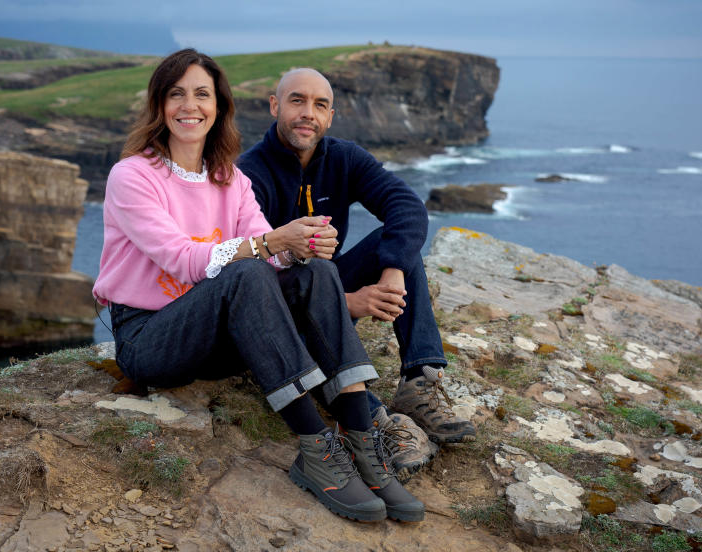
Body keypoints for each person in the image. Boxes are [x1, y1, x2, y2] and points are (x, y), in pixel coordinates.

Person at [92, 49, 422, 523]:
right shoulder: (133, 176)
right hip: (151, 339)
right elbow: (184, 261)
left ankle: (362, 440)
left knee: (316, 269)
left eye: (202, 94)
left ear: (219, 107)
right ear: (159, 105)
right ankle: (315, 449)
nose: (190, 106)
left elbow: (275, 253)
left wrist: (305, 241)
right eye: (176, 94)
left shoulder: (232, 179)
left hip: (218, 335)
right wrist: (271, 241)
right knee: (246, 269)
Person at [238, 68, 478, 468]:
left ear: (330, 116)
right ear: (275, 106)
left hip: (328, 288)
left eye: (320, 105)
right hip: (278, 315)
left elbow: (407, 205)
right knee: (319, 285)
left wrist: (394, 270)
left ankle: (419, 381)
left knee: (398, 243)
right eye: (297, 101)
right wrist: (349, 303)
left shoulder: (344, 158)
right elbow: (253, 281)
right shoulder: (249, 174)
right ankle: (374, 421)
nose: (307, 114)